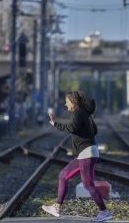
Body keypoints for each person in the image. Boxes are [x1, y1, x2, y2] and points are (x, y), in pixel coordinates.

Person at [42, 91, 113, 222]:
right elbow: (93, 130)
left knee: (88, 184)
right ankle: (57, 207)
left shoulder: (79, 112)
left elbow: (73, 128)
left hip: (86, 153)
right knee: (63, 175)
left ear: (74, 102)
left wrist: (57, 125)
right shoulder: (84, 113)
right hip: (85, 152)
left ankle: (104, 212)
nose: (65, 104)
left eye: (67, 102)